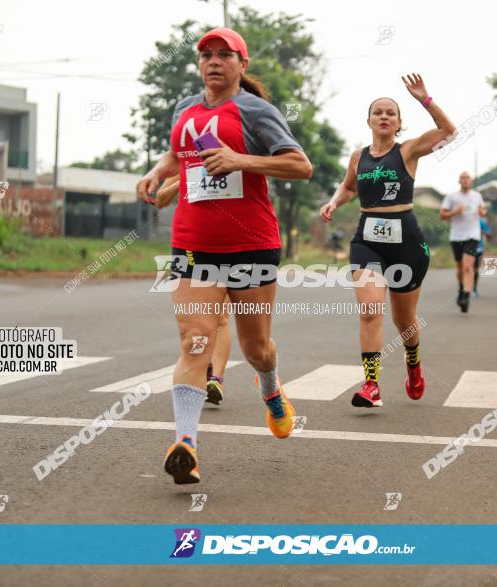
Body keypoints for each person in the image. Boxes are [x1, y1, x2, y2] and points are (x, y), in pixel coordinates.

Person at [136, 27, 313, 484]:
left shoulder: (257, 111)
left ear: (242, 64)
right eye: (207, 55)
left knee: (257, 349)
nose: (214, 61)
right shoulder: (183, 109)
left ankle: (271, 389)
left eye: (224, 55)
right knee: (195, 339)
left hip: (251, 243)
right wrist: (158, 171)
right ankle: (186, 446)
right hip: (193, 244)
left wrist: (241, 160)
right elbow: (180, 155)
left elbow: (300, 165)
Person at [320, 74, 456, 407]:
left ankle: (413, 363)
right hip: (367, 239)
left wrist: (425, 99)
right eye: (378, 112)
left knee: (404, 320)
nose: (384, 116)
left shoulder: (408, 150)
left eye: (390, 113)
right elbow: (350, 186)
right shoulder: (358, 156)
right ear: (368, 120)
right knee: (369, 311)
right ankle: (371, 385)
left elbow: (449, 132)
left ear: (398, 123)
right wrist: (335, 201)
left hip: (406, 242)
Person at [156, 176, 232, 406]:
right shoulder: (182, 162)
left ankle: (216, 379)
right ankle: (201, 367)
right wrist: (184, 178)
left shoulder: (228, 157)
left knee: (220, 317)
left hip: (227, 241)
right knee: (195, 320)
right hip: (190, 244)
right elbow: (161, 199)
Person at [440, 172, 486, 313]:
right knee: (460, 267)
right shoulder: (451, 197)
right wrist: (455, 212)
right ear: (459, 181)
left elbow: (483, 211)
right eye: (463, 178)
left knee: (467, 266)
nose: (465, 180)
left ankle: (466, 295)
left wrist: (482, 211)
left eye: (468, 178)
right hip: (456, 236)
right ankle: (461, 288)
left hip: (472, 235)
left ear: (471, 181)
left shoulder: (477, 196)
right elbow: (442, 215)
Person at [473, 217, 492, 298]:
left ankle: (474, 289)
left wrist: (482, 231)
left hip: (478, 248)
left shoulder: (481, 222)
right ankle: (465, 288)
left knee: (475, 269)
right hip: (466, 248)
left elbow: (489, 234)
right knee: (467, 268)